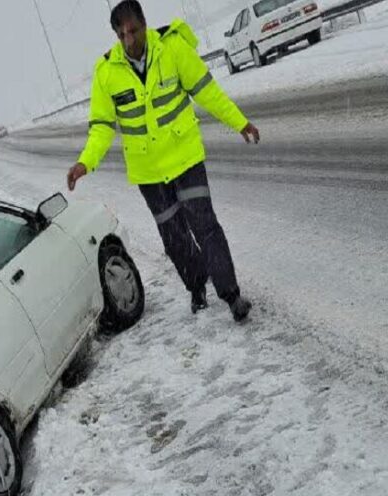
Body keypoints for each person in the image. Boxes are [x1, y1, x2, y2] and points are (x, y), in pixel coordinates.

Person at [67, 0, 260, 320]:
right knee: (174, 239)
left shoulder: (172, 49)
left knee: (206, 227)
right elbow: (101, 128)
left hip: (185, 160)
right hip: (149, 174)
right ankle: (197, 287)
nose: (129, 40)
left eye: (133, 31)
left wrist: (240, 122)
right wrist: (84, 163)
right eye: (122, 34)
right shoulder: (106, 73)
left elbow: (207, 92)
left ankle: (232, 296)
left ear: (145, 24)